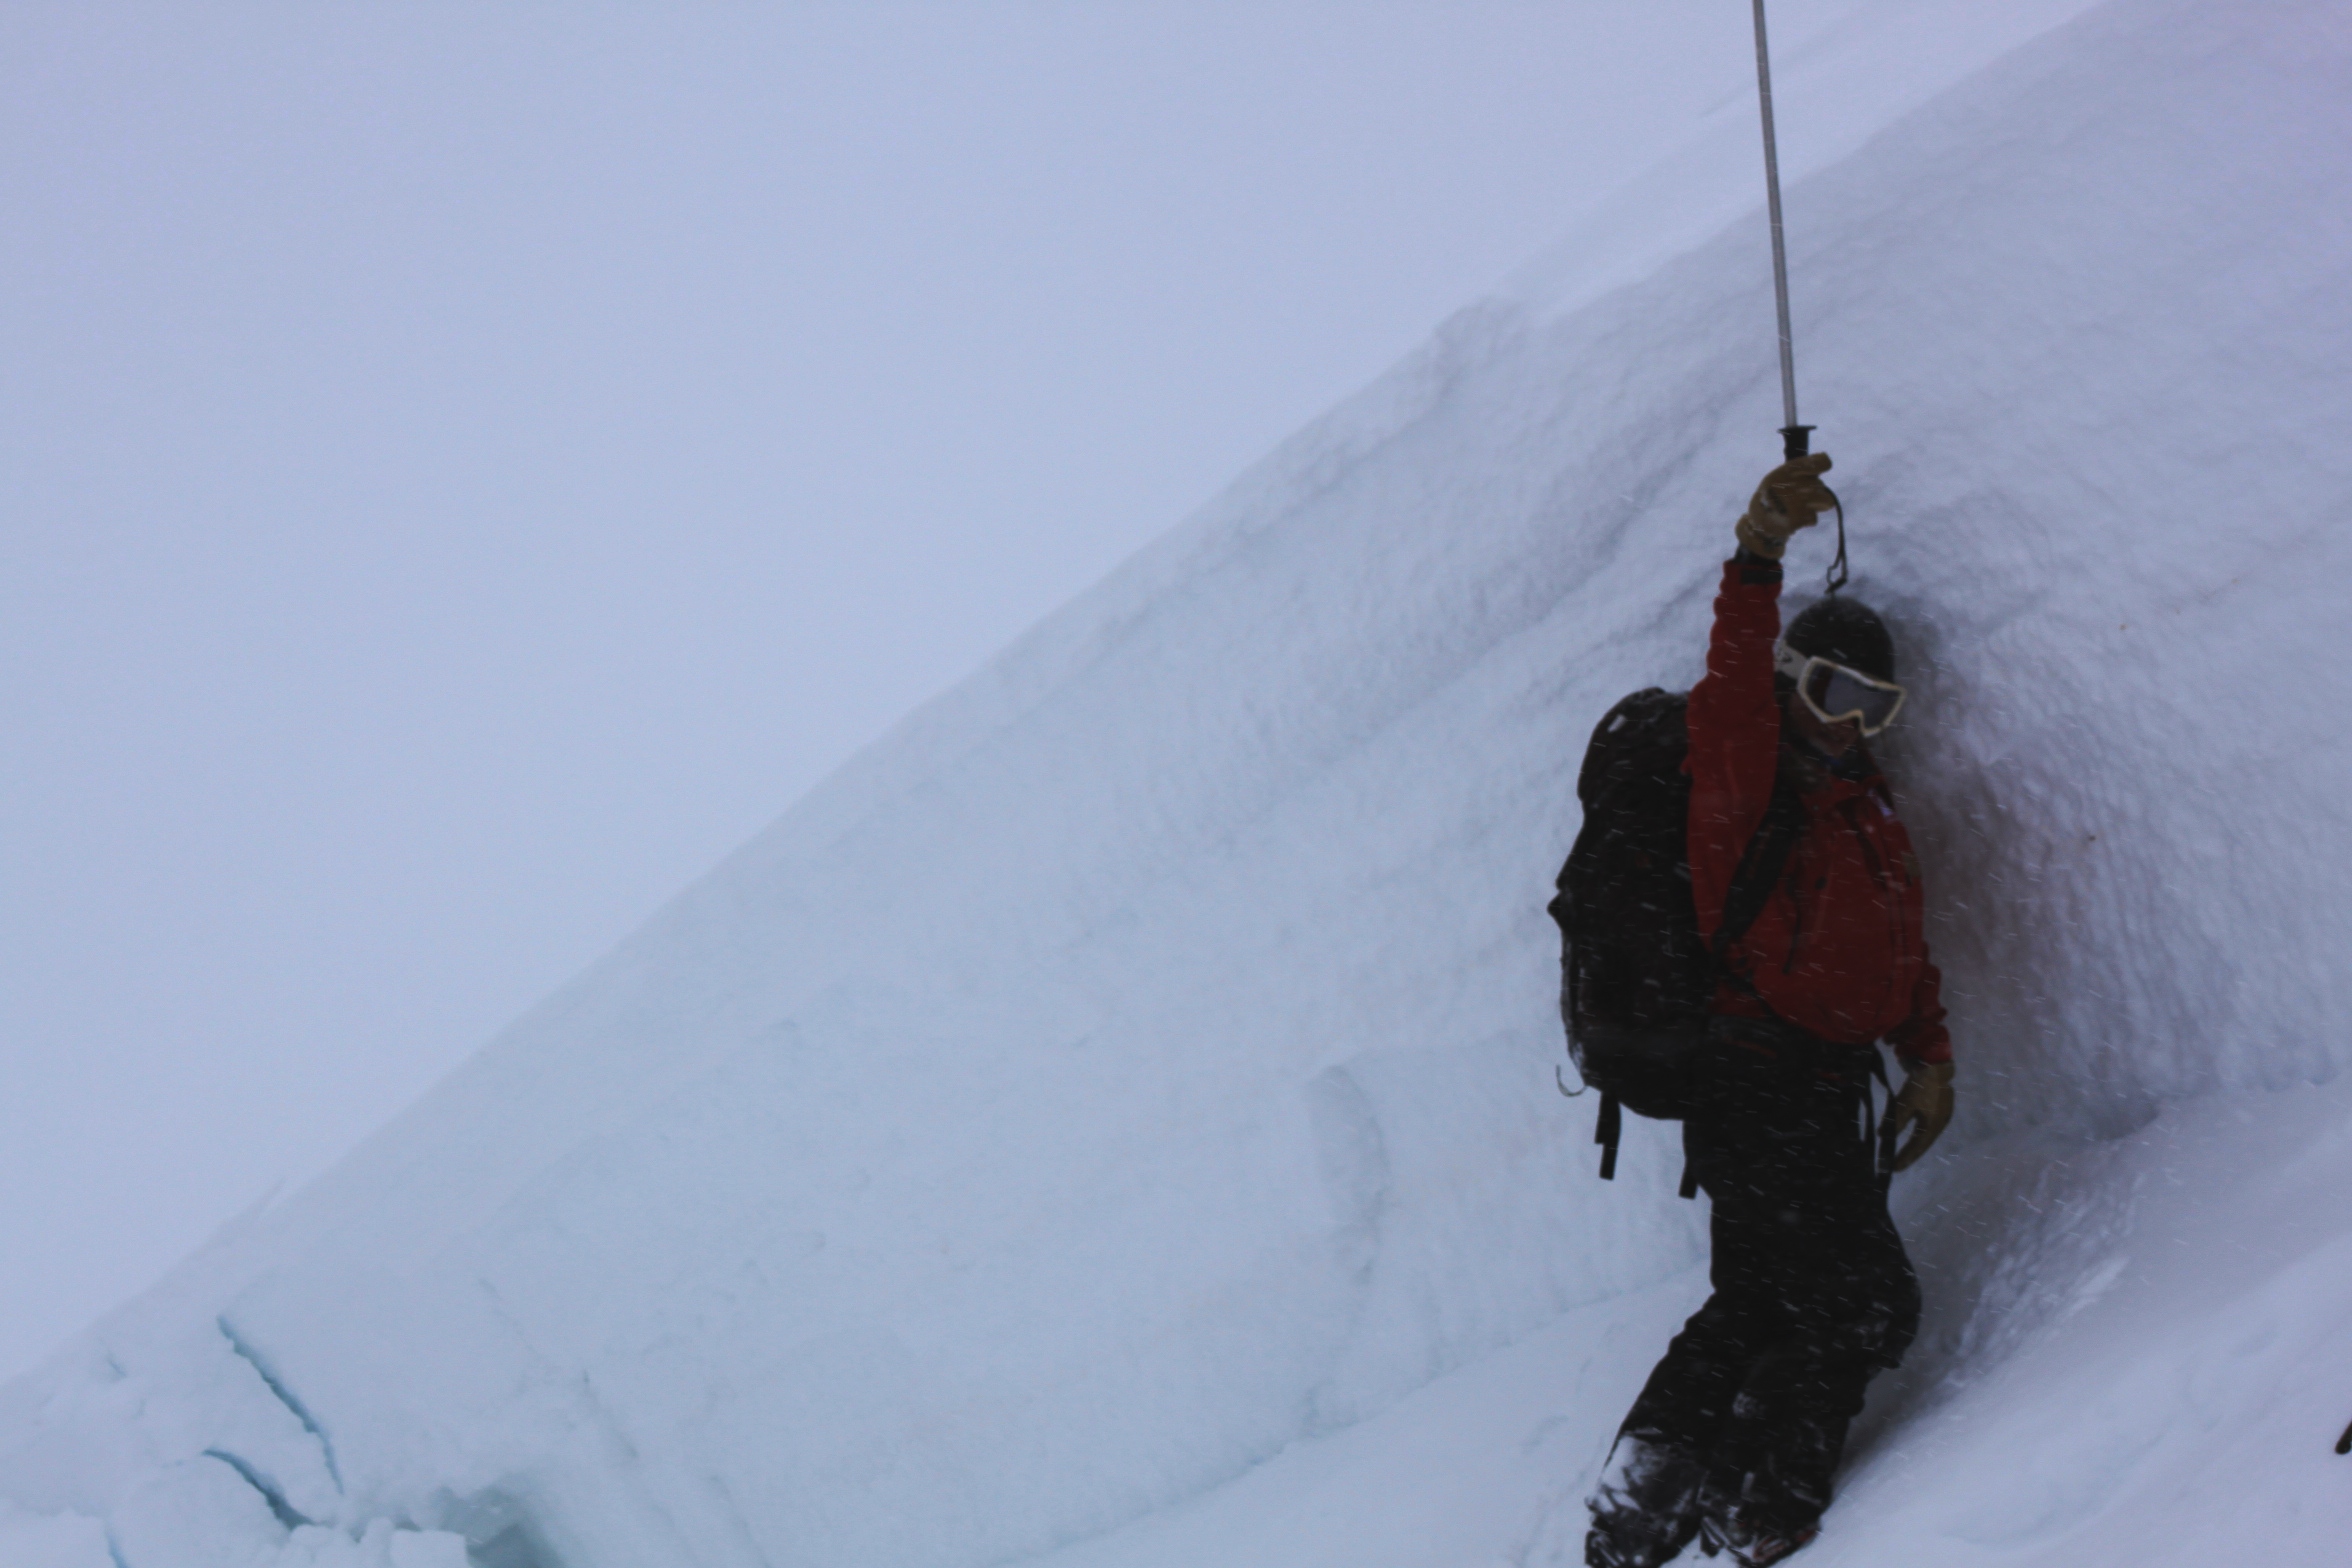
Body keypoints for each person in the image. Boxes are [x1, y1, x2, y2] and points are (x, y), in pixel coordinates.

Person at [1585, 453, 1956, 1568]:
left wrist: (1928, 1058)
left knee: (1760, 1294)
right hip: (1760, 1072)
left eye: (1875, 705)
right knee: (1866, 1300)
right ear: (1794, 681)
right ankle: (1764, 1489)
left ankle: (1642, 1497)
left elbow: (1903, 952)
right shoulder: (1744, 774)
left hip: (1818, 1084)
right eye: (1834, 692)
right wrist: (1757, 555)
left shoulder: (1865, 811)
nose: (1851, 721)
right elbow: (1734, 676)